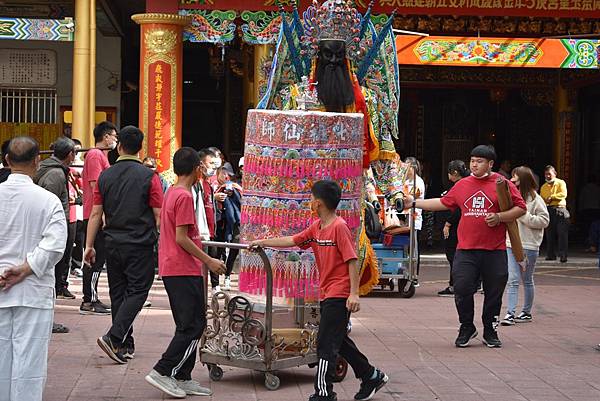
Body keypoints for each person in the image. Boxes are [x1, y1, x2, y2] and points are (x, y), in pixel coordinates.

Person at [251, 180, 388, 401]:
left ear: (319, 203)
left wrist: (354, 294)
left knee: (326, 343)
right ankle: (371, 375)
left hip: (339, 293)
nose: (309, 202)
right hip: (326, 292)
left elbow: (352, 260)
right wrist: (263, 242)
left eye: (311, 198)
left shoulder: (339, 227)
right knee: (339, 339)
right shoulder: (317, 227)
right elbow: (293, 240)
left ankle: (324, 392)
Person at [404, 145, 526, 348]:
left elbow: (520, 207)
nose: (474, 164)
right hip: (466, 249)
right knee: (461, 288)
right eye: (472, 160)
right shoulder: (462, 185)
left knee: (494, 292)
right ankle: (467, 326)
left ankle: (490, 329)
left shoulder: (501, 183)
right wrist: (414, 203)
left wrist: (499, 217)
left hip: (494, 250)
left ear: (490, 164)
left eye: (479, 161)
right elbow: (443, 202)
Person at [145, 147, 225, 398]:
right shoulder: (184, 196)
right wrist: (209, 260)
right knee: (192, 325)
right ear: (197, 168)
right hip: (182, 267)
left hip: (176, 267)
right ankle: (163, 370)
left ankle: (182, 375)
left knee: (190, 323)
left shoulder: (173, 192)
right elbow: (182, 238)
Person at [84, 126, 164, 364]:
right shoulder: (150, 177)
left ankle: (124, 344)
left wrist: (89, 245)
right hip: (140, 243)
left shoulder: (105, 176)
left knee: (118, 293)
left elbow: (96, 213)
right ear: (141, 148)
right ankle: (114, 336)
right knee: (138, 291)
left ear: (119, 147)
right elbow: (158, 215)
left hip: (112, 242)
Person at [0, 136, 67, 401]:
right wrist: (27, 268)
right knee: (30, 363)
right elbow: (54, 246)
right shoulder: (48, 201)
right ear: (37, 161)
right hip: (33, 291)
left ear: (7, 161)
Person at [500, 166, 549, 326]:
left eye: (516, 177)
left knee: (527, 280)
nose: (512, 180)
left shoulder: (536, 199)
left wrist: (523, 215)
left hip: (529, 245)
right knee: (513, 279)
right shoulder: (511, 196)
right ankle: (510, 313)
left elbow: (544, 220)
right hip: (511, 243)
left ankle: (526, 312)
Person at [81, 121, 118, 314]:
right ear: (105, 136)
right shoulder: (95, 155)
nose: (115, 139)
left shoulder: (100, 156)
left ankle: (91, 299)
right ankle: (89, 300)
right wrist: (102, 214)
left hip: (97, 213)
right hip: (95, 214)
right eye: (113, 136)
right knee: (95, 257)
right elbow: (96, 186)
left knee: (97, 257)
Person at [35, 137, 77, 303]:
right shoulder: (55, 173)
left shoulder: (55, 169)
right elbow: (50, 205)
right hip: (53, 227)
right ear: (69, 154)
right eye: (74, 153)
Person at [192, 148, 224, 293]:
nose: (212, 167)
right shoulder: (195, 184)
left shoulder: (208, 184)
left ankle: (214, 287)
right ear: (201, 164)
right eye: (210, 163)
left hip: (211, 231)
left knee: (213, 258)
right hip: (200, 234)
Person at [438, 160, 470, 297]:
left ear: (455, 173)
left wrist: (448, 223)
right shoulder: (464, 185)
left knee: (454, 256)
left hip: (456, 227)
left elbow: (457, 208)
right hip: (456, 225)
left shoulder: (461, 186)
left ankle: (455, 285)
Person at [215, 164, 242, 291]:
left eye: (228, 174)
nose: (226, 176)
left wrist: (234, 193)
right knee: (218, 252)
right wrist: (216, 197)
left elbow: (241, 202)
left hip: (235, 224)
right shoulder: (214, 187)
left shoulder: (236, 186)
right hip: (220, 224)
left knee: (234, 250)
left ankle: (227, 276)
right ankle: (216, 283)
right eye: (223, 174)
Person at [400, 156, 425, 284]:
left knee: (413, 248)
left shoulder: (418, 182)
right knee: (404, 247)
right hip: (403, 218)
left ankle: (414, 275)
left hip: (413, 218)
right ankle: (404, 272)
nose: (404, 168)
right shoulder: (404, 181)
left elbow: (410, 197)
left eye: (407, 166)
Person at [540, 165, 569, 263]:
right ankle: (550, 254)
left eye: (549, 174)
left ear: (555, 174)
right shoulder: (543, 186)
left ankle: (563, 255)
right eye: (546, 174)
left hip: (560, 209)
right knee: (549, 233)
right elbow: (542, 198)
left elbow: (563, 194)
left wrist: (552, 197)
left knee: (562, 233)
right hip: (548, 210)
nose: (547, 176)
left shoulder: (561, 183)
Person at [70, 139, 85, 278]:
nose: (76, 153)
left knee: (80, 239)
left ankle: (77, 265)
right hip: (69, 207)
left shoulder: (83, 166)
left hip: (80, 206)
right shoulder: (64, 166)